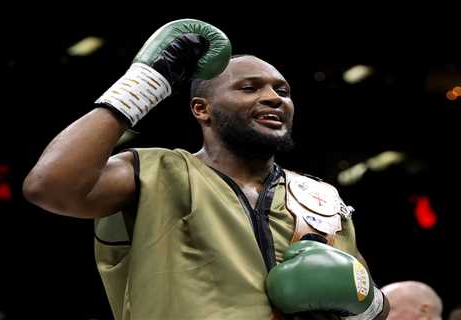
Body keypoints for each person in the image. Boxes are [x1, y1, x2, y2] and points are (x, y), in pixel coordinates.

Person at [23, 19, 389, 320]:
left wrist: (367, 302)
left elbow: (369, 301)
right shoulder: (153, 171)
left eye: (283, 90)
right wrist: (141, 88)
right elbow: (50, 187)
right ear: (202, 109)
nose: (275, 97)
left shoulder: (318, 198)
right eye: (249, 88)